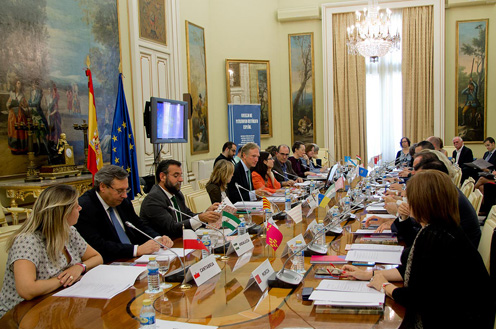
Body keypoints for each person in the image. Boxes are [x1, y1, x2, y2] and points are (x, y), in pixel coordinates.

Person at [345, 170, 494, 329]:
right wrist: (371, 275)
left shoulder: (435, 237)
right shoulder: (443, 227)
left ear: (422, 202)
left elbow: (416, 298)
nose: (406, 203)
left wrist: (384, 286)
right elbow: (414, 272)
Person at [0, 185, 103, 317]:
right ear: (63, 212)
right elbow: (27, 290)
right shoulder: (27, 241)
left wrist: (79, 267)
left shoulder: (69, 231)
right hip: (20, 314)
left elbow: (97, 257)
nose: (80, 208)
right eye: (76, 206)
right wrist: (66, 279)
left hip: (58, 305)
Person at [75, 165, 173, 263]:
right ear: (103, 187)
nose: (125, 195)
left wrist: (157, 238)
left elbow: (138, 225)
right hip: (110, 263)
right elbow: (97, 245)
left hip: (134, 259)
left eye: (126, 189)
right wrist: (136, 250)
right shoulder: (84, 208)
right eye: (120, 190)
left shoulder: (122, 201)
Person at [140, 160, 221, 238]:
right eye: (176, 176)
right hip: (164, 246)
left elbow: (188, 216)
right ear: (162, 177)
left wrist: (206, 214)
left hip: (181, 241)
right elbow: (171, 229)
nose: (181, 179)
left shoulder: (177, 194)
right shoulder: (153, 199)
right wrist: (200, 218)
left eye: (180, 175)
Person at [6, 80, 28, 154]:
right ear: (15, 84)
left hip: (20, 114)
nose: (19, 85)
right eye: (18, 83)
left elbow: (25, 105)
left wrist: (22, 105)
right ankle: (14, 148)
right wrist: (10, 104)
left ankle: (21, 148)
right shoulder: (12, 94)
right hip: (12, 115)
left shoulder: (22, 95)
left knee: (20, 130)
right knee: (13, 131)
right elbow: (8, 104)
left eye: (20, 84)